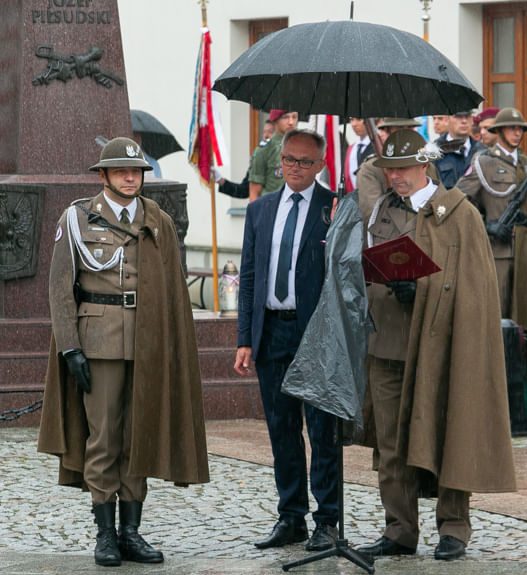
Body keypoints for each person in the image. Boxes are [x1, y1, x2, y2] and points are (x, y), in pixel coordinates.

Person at [37, 137, 210, 567]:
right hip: (98, 342)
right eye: (121, 172)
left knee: (140, 434)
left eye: (136, 172)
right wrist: (71, 348)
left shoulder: (160, 221)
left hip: (149, 340)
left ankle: (132, 531)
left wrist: (171, 347)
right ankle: (105, 534)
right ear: (104, 175)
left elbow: (172, 288)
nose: (131, 178)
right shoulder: (78, 220)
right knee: (105, 437)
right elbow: (61, 288)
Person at [357, 129, 516, 561]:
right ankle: (399, 529)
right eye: (389, 170)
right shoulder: (381, 212)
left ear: (424, 165)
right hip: (388, 342)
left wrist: (423, 290)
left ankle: (453, 528)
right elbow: (367, 265)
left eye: (403, 169)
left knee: (449, 432)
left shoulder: (458, 214)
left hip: (443, 344)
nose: (396, 179)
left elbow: (476, 286)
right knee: (390, 445)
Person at [233, 129, 340, 552]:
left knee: (322, 431)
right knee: (282, 430)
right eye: (290, 160)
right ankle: (290, 516)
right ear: (280, 159)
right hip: (272, 332)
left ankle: (327, 520)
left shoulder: (334, 207)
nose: (295, 168)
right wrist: (245, 338)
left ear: (321, 165)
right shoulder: (260, 210)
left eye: (305, 162)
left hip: (316, 334)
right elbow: (250, 279)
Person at [456, 107, 527, 392]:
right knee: (500, 316)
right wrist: (486, 226)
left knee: (526, 314)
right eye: (512, 128)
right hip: (499, 253)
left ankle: (526, 376)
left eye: (521, 129)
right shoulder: (484, 163)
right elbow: (455, 200)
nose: (517, 133)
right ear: (499, 131)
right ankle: (498, 377)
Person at [215, 119, 275, 199]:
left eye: (270, 132)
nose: (266, 136)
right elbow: (244, 191)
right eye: (264, 132)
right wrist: (220, 180)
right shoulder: (259, 159)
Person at [249, 109, 299, 202]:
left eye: (294, 117)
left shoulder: (304, 148)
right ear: (275, 120)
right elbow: (254, 192)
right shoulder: (264, 150)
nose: (291, 122)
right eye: (285, 117)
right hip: (271, 209)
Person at [433, 111, 486, 189]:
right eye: (458, 117)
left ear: (472, 120)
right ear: (447, 120)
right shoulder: (435, 151)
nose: (464, 121)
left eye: (467, 117)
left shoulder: (482, 151)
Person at [344, 117, 373, 193]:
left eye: (359, 119)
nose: (354, 124)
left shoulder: (378, 147)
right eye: (351, 119)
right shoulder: (351, 148)